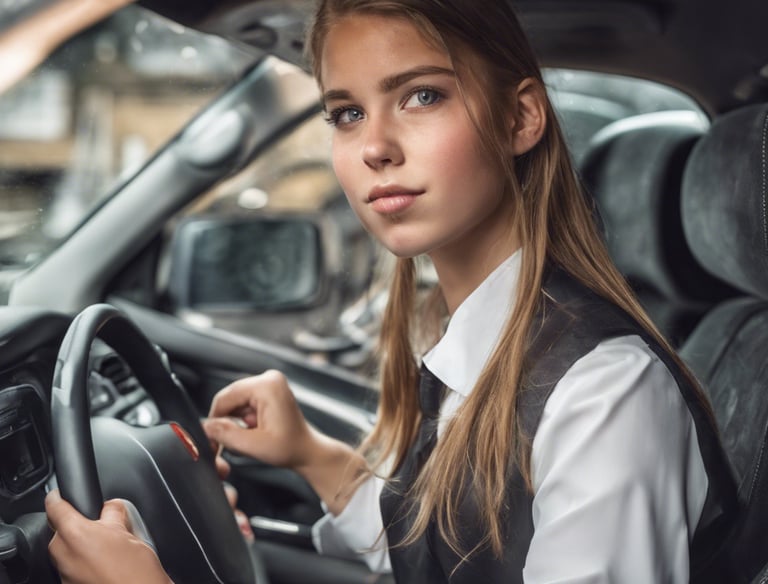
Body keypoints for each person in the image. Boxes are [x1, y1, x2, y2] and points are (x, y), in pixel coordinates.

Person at [45, 0, 737, 582]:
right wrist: (315, 457)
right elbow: (449, 541)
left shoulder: (606, 394)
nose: (375, 145)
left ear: (521, 118)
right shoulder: (475, 338)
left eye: (422, 95)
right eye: (346, 113)